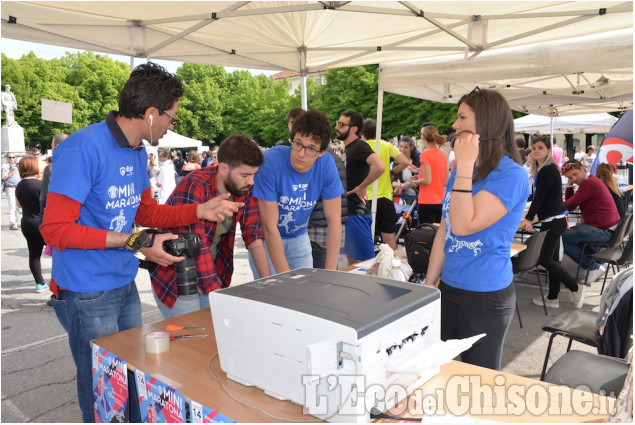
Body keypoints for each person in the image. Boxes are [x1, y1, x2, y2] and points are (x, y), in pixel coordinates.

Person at [40, 62, 243, 423]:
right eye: (172, 118)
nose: (171, 127)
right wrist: (137, 240)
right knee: (101, 390)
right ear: (151, 114)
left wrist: (201, 210)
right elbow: (55, 230)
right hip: (87, 292)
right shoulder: (83, 148)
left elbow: (148, 212)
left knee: (131, 381)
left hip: (123, 283)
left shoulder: (135, 153)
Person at [426, 87, 529, 371]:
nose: (455, 125)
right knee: (433, 372)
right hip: (448, 289)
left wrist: (465, 166)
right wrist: (428, 284)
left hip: (485, 298)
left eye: (462, 117)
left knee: (477, 384)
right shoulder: (464, 170)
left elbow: (462, 225)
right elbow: (445, 230)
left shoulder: (512, 175)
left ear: (485, 122)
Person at [151, 134, 270, 318]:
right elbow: (197, 248)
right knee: (194, 339)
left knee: (212, 335)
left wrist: (267, 284)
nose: (251, 181)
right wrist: (220, 299)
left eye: (254, 174)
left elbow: (253, 235)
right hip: (176, 279)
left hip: (211, 274)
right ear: (223, 168)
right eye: (246, 175)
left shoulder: (243, 187)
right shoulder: (194, 186)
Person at [251, 109, 343, 275]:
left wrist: (331, 273)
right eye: (298, 143)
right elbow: (269, 226)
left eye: (311, 149)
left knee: (303, 291)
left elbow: (335, 221)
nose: (301, 153)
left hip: (299, 236)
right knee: (273, 293)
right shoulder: (270, 161)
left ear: (322, 152)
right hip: (264, 238)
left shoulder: (326, 164)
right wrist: (287, 280)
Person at [520, 134, 584, 309]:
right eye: (533, 148)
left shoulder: (548, 169)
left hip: (555, 220)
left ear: (548, 150)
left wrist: (528, 219)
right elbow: (539, 197)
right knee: (553, 260)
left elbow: (539, 199)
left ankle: (575, 287)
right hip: (553, 219)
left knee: (545, 260)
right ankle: (553, 297)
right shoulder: (544, 170)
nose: (536, 151)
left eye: (540, 147)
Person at [336, 110, 385, 263]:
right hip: (348, 213)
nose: (337, 127)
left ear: (354, 129)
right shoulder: (348, 148)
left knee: (366, 264)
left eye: (341, 124)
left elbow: (380, 166)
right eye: (337, 123)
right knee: (353, 262)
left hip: (357, 213)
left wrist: (361, 186)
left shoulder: (359, 146)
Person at [561, 159, 620, 284]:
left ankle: (592, 267)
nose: (573, 179)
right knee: (571, 237)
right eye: (569, 177)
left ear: (583, 168)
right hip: (607, 229)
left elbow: (568, 206)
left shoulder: (589, 184)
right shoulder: (590, 181)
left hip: (603, 231)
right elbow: (570, 202)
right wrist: (570, 185)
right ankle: (597, 264)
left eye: (575, 174)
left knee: (560, 238)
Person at [361, 118, 409, 250]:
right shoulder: (386, 145)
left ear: (362, 133)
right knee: (389, 237)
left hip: (365, 197)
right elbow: (404, 162)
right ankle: (392, 265)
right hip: (385, 197)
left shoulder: (360, 146)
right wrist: (392, 172)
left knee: (366, 237)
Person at [308, 143, 348, 269]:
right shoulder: (337, 159)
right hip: (336, 222)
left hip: (318, 223)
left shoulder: (319, 161)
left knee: (320, 271)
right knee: (330, 264)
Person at [15, 156, 48, 293]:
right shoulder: (40, 185)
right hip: (41, 222)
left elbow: (18, 205)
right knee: (57, 253)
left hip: (26, 222)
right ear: (34, 167)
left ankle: (39, 283)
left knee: (34, 254)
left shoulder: (19, 185)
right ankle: (59, 285)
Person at [411, 123, 449, 224]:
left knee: (426, 233)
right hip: (440, 200)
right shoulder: (441, 154)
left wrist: (415, 181)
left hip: (427, 201)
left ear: (423, 138)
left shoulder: (425, 154)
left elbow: (427, 180)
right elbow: (445, 181)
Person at [39, 133, 68, 221]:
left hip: (57, 216)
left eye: (52, 146)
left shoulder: (52, 167)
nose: (51, 149)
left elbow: (46, 195)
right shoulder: (82, 164)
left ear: (57, 146)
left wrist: (42, 214)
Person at [392, 136, 420, 204]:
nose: (402, 149)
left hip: (420, 194)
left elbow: (419, 177)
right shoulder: (396, 161)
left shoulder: (417, 159)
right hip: (407, 195)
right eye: (401, 147)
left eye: (406, 147)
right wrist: (402, 185)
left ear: (411, 148)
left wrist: (413, 184)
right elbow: (393, 181)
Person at [2, 151, 21, 230]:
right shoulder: (5, 166)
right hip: (10, 187)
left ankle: (17, 221)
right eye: (9, 157)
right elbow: (4, 177)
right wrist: (12, 172)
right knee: (12, 206)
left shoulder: (18, 165)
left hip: (18, 187)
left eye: (13, 157)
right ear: (7, 158)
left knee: (18, 206)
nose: (11, 159)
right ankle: (12, 223)